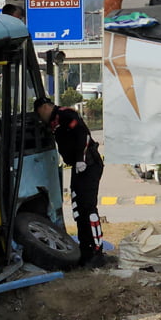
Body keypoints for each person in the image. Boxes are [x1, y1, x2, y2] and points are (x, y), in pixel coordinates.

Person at [34, 96, 104, 267]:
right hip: (77, 167)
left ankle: (97, 251)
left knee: (88, 207)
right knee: (78, 209)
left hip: (88, 164)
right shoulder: (51, 123)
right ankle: (85, 248)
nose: (40, 117)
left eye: (39, 113)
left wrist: (80, 158)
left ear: (44, 107)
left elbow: (83, 135)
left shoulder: (65, 114)